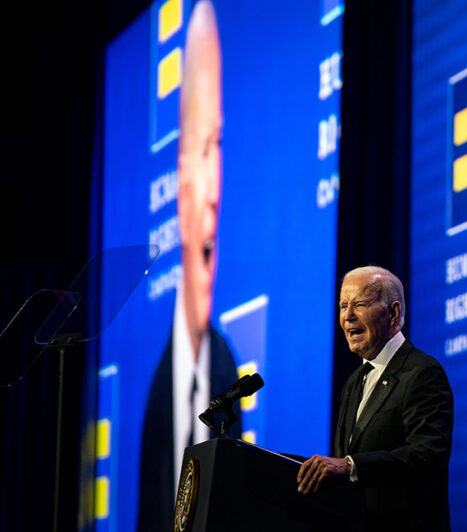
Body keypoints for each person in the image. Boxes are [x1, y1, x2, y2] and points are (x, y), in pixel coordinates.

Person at [137, 2, 240, 530]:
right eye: (201, 148)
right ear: (177, 179)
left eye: (217, 145)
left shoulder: (230, 375)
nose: (214, 192)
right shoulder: (152, 396)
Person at [297, 266, 454, 531]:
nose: (347, 316)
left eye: (360, 304)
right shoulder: (354, 383)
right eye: (343, 305)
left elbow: (427, 454)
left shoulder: (422, 372)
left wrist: (349, 466)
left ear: (393, 313)